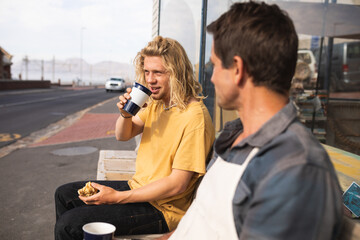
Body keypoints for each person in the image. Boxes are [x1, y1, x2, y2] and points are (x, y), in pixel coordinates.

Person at [164, 1, 344, 239]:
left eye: (215, 65)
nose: (213, 77)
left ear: (238, 69)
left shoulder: (295, 169)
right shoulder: (234, 135)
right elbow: (199, 221)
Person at [54, 36, 215, 240]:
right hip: (139, 188)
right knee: (64, 195)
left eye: (158, 72)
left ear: (177, 73)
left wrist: (117, 198)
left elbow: (177, 184)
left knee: (69, 225)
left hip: (164, 209)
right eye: (147, 72)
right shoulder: (157, 103)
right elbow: (123, 135)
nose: (149, 80)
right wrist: (125, 114)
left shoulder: (194, 116)